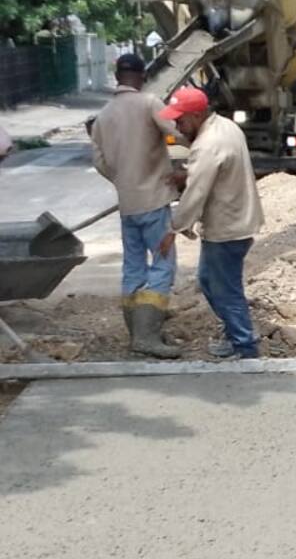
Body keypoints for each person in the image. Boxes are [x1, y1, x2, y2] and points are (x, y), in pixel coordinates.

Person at [159, 87, 264, 359]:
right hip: (237, 220)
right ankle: (235, 335)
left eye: (180, 120)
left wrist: (173, 229)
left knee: (226, 290)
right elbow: (211, 172)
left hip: (227, 227)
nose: (177, 126)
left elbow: (196, 192)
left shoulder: (208, 144)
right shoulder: (225, 127)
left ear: (195, 115)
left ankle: (245, 347)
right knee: (209, 281)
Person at [90, 52, 182, 358]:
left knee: (133, 266)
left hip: (127, 205)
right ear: (142, 77)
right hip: (154, 200)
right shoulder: (150, 103)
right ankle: (146, 336)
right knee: (163, 264)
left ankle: (137, 333)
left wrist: (123, 180)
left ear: (117, 76)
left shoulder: (103, 116)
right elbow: (176, 132)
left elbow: (99, 162)